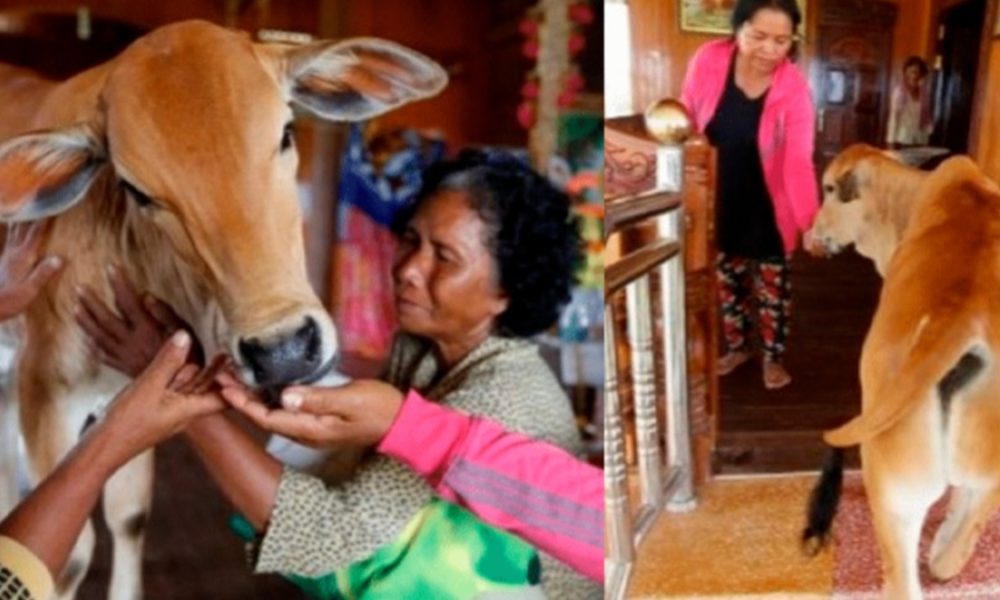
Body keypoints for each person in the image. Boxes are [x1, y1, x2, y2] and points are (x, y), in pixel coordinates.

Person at [78, 149, 598, 598]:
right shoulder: (422, 349)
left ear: (505, 293)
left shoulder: (501, 394)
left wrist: (183, 394)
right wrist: (200, 375)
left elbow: (330, 536)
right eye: (411, 240)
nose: (409, 269)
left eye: (444, 257)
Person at [680, 0, 818, 390]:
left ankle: (773, 357)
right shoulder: (708, 60)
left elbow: (797, 160)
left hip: (769, 205)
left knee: (773, 289)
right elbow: (688, 121)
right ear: (738, 30)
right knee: (728, 283)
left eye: (782, 40)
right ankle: (738, 347)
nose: (771, 50)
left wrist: (810, 221)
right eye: (759, 37)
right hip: (719, 199)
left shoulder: (793, 87)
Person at [886, 56, 933, 149]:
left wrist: (925, 141)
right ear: (906, 73)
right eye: (912, 72)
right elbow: (893, 118)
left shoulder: (924, 95)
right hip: (902, 141)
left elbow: (926, 119)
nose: (915, 76)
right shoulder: (899, 92)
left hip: (919, 141)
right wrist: (890, 143)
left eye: (918, 73)